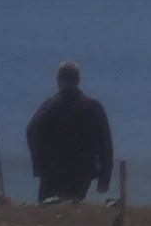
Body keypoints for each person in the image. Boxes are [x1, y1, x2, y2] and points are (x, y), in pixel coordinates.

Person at [24, 62, 113, 205]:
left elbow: (31, 131)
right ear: (78, 80)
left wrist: (41, 163)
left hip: (52, 171)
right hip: (81, 171)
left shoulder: (49, 106)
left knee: (48, 209)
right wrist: (104, 176)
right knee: (73, 208)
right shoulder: (92, 106)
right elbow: (105, 144)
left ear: (59, 79)